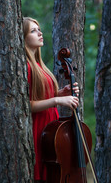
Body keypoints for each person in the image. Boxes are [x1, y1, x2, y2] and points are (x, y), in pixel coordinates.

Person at [23, 17, 79, 183]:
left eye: (39, 29)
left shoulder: (40, 65)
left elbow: (43, 96)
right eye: (33, 31)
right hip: (39, 129)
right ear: (23, 37)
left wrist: (61, 94)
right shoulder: (25, 66)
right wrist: (57, 101)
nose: (39, 33)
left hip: (50, 128)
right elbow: (28, 105)